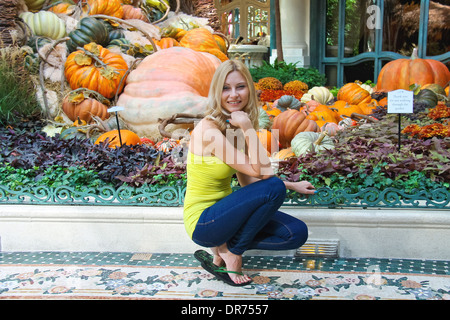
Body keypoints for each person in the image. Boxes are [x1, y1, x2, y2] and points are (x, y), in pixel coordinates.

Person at [183, 60, 315, 286]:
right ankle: (232, 252)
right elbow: (265, 175)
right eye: (226, 88)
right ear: (217, 92)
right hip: (203, 223)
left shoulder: (232, 127)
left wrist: (291, 185)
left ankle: (224, 248)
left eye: (240, 87)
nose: (233, 95)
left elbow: (249, 181)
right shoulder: (209, 130)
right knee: (272, 187)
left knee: (296, 233)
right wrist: (248, 128)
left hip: (226, 217)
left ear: (250, 90)